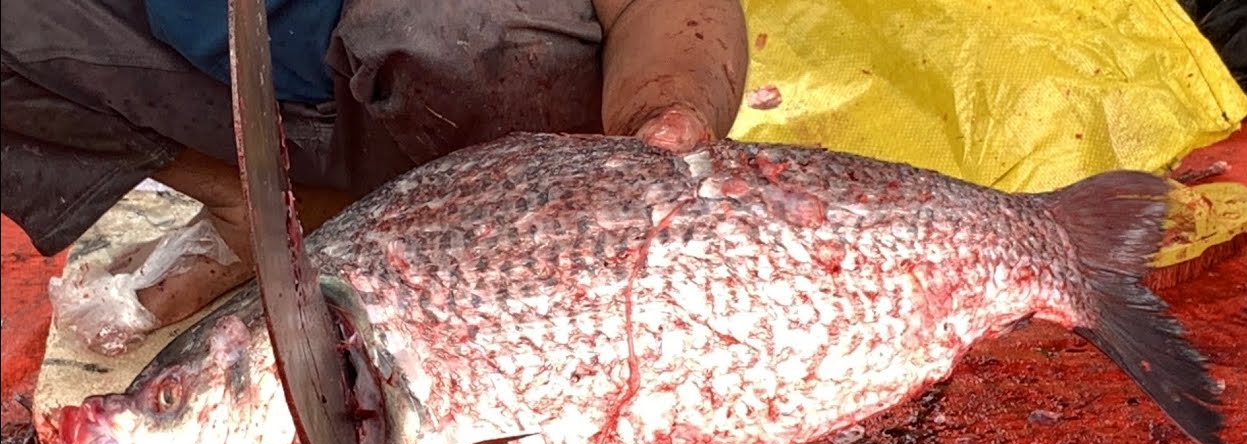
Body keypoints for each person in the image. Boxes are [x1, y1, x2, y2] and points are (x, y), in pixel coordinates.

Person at [1, 0, 748, 345]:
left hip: (448, 74)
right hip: (222, 79)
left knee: (461, 36)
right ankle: (267, 204)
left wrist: (668, 111)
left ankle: (490, 235)